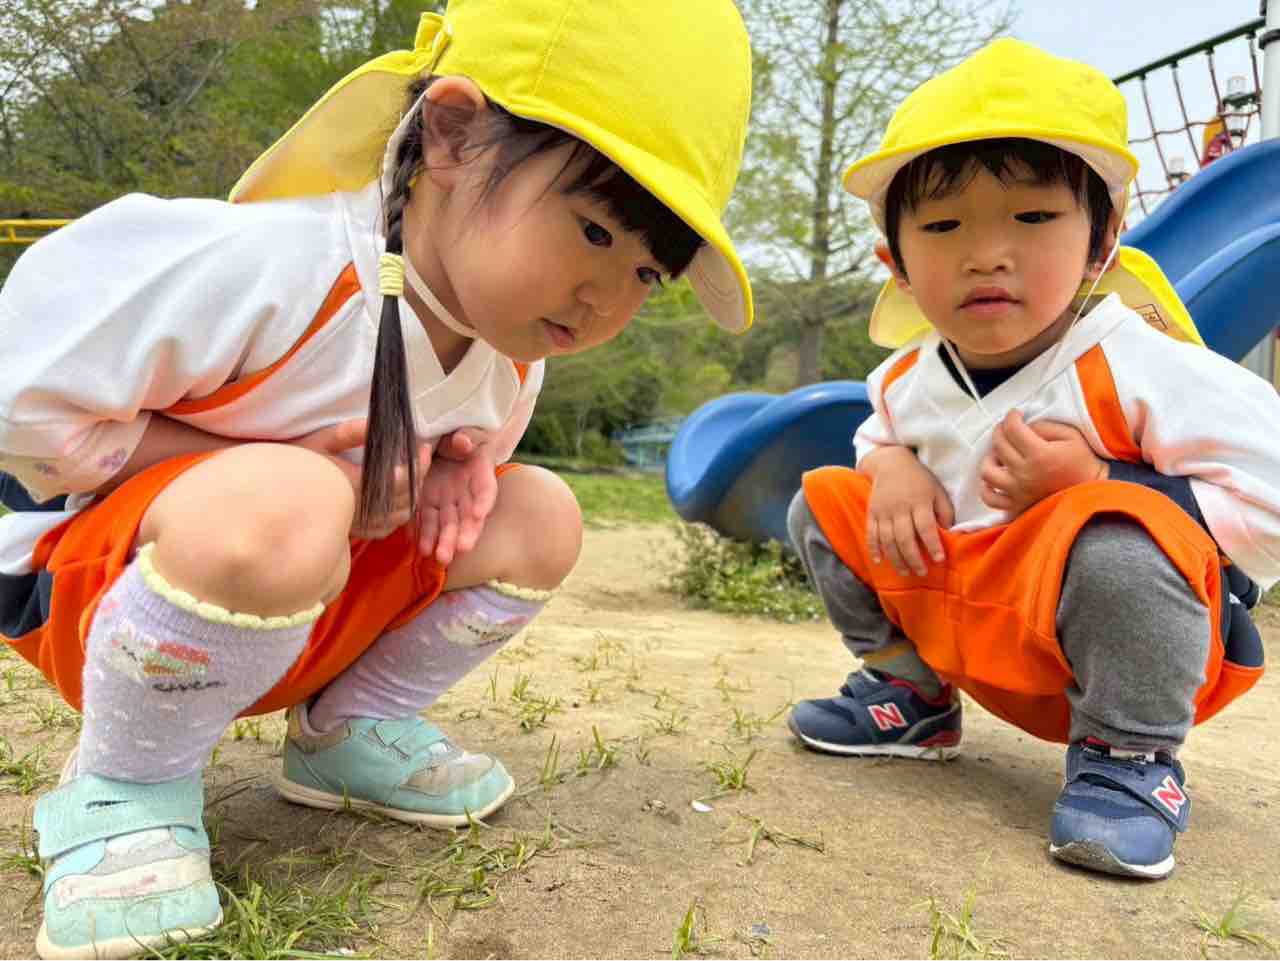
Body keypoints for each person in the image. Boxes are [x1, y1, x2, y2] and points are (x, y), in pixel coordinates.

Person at [0, 0, 753, 955]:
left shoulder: (509, 359)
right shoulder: (271, 266)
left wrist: (444, 477)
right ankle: (122, 786)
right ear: (454, 134)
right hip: (95, 595)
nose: (607, 296)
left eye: (648, 274)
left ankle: (348, 727)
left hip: (297, 612)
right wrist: (272, 465)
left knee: (540, 513)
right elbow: (20, 406)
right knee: (293, 498)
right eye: (597, 233)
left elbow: (392, 494)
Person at [785, 39, 1278, 881]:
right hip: (972, 624)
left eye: (1035, 218)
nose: (987, 254)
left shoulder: (1135, 364)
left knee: (1119, 536)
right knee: (826, 503)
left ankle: (1130, 762)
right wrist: (892, 464)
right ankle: (911, 694)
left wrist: (1102, 481)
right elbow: (877, 434)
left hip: (1114, 655)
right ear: (896, 264)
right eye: (943, 226)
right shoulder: (905, 377)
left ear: (1102, 240)